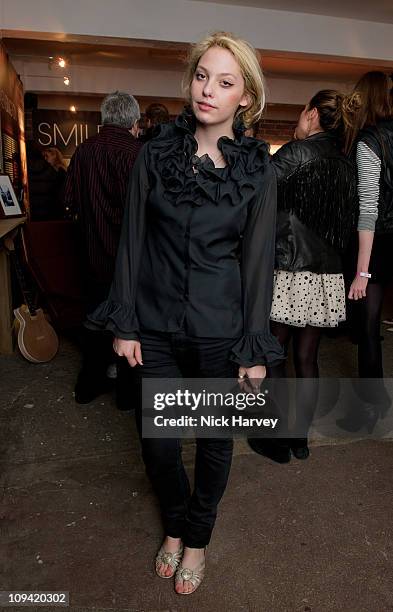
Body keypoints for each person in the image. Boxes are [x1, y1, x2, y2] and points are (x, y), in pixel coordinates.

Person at [87, 32, 283, 594]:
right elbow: (132, 241)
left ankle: (197, 539)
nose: (208, 90)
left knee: (215, 443)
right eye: (202, 76)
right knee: (161, 443)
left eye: (225, 82)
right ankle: (173, 526)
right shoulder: (154, 154)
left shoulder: (258, 172)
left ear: (245, 97)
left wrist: (254, 349)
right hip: (156, 327)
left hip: (220, 331)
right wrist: (124, 322)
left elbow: (257, 266)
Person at [248, 90, 357, 462]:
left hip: (291, 268)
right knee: (308, 358)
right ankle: (300, 438)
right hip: (326, 274)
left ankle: (276, 437)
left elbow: (255, 195)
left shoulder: (297, 153)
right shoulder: (346, 164)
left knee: (275, 354)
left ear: (311, 114)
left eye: (300, 113)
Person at [63, 91, 142, 407]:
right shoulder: (138, 153)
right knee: (127, 326)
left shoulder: (83, 151)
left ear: (104, 118)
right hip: (129, 260)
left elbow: (67, 201)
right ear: (134, 122)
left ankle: (89, 386)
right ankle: (124, 396)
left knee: (94, 324)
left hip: (92, 253)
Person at [337, 71, 393, 432]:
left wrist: (362, 271)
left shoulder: (370, 140)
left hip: (382, 242)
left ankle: (373, 408)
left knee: (369, 326)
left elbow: (368, 209)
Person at [26, 141, 64, 221]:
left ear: (55, 157)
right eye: (44, 156)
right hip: (52, 211)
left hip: (53, 211)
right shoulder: (51, 172)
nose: (45, 159)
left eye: (47, 156)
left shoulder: (60, 172)